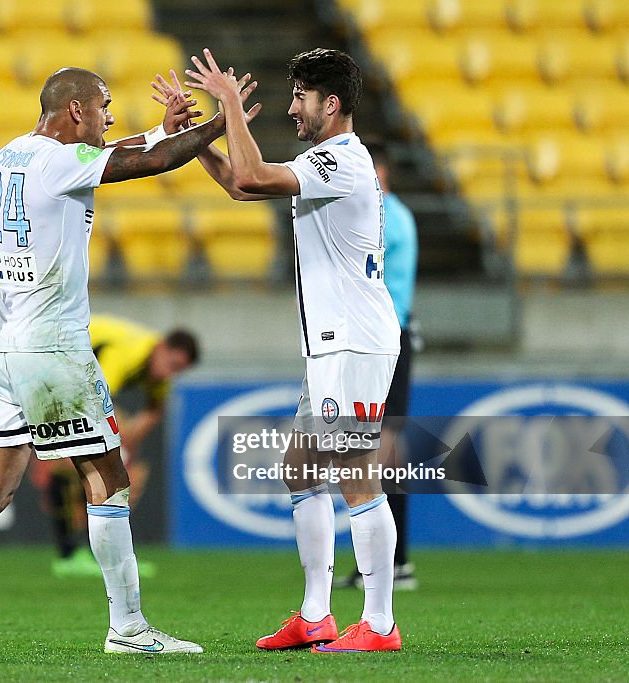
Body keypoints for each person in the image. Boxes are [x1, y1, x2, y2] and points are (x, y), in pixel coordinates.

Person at [0, 66, 257, 656]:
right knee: (108, 479)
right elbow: (144, 164)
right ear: (76, 112)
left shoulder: (12, 156)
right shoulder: (58, 163)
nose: (109, 116)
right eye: (103, 105)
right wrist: (223, 119)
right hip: (53, 348)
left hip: (3, 347)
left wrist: (158, 130)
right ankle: (128, 628)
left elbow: (115, 151)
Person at [180, 48, 403, 652]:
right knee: (301, 470)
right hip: (333, 344)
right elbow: (239, 185)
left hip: (353, 343)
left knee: (356, 476)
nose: (291, 107)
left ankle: (380, 624)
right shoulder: (323, 161)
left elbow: (251, 175)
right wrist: (196, 139)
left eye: (300, 95)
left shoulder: (344, 163)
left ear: (331, 104)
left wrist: (229, 105)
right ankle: (316, 616)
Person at [35, 316, 200, 578]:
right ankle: (71, 556)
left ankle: (88, 555)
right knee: (73, 468)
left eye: (178, 370)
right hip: (48, 358)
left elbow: (153, 412)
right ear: (162, 347)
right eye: (172, 364)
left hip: (68, 375)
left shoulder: (158, 367)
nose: (171, 373)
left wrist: (128, 450)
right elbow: (96, 395)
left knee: (92, 468)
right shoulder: (129, 352)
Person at [333, 141, 419, 592]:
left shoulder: (391, 217)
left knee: (384, 450)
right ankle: (384, 562)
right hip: (383, 338)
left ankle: (396, 561)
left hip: (389, 339)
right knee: (370, 450)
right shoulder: (390, 214)